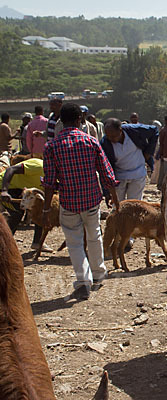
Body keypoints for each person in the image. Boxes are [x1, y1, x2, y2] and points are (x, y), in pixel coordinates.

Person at [42, 103, 119, 300]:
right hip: (92, 200)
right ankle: (99, 274)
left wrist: (45, 210)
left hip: (68, 202)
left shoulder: (52, 146)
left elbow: (49, 182)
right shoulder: (91, 142)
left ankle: (83, 282)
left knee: (74, 242)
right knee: (94, 236)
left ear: (61, 121)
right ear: (79, 120)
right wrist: (115, 200)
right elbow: (107, 173)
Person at [101, 118, 158, 202]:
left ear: (120, 130)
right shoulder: (105, 142)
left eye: (113, 136)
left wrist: (148, 153)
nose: (110, 139)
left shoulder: (134, 130)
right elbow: (104, 168)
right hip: (119, 177)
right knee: (118, 205)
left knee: (134, 204)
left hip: (137, 173)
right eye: (108, 136)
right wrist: (107, 192)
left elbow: (154, 131)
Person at [0, 158, 50, 251]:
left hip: (21, 189)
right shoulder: (38, 166)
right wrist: (4, 191)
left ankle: (37, 243)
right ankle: (4, 243)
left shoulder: (57, 176)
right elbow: (11, 169)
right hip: (5, 186)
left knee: (40, 210)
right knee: (17, 213)